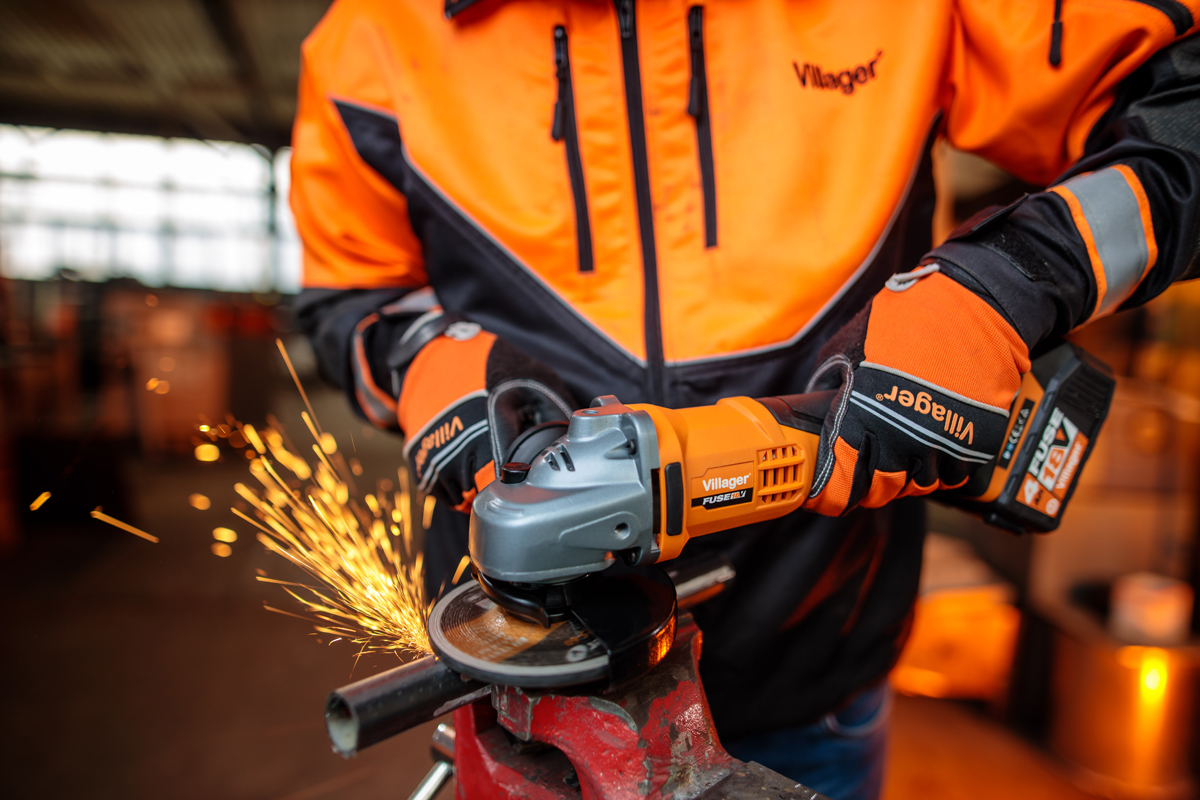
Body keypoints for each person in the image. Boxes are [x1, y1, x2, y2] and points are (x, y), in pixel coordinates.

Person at [290, 1, 1200, 797]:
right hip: (532, 694)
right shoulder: (374, 33)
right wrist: (426, 361)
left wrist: (1004, 285)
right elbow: (348, 295)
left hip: (816, 657)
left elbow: (1182, 104)